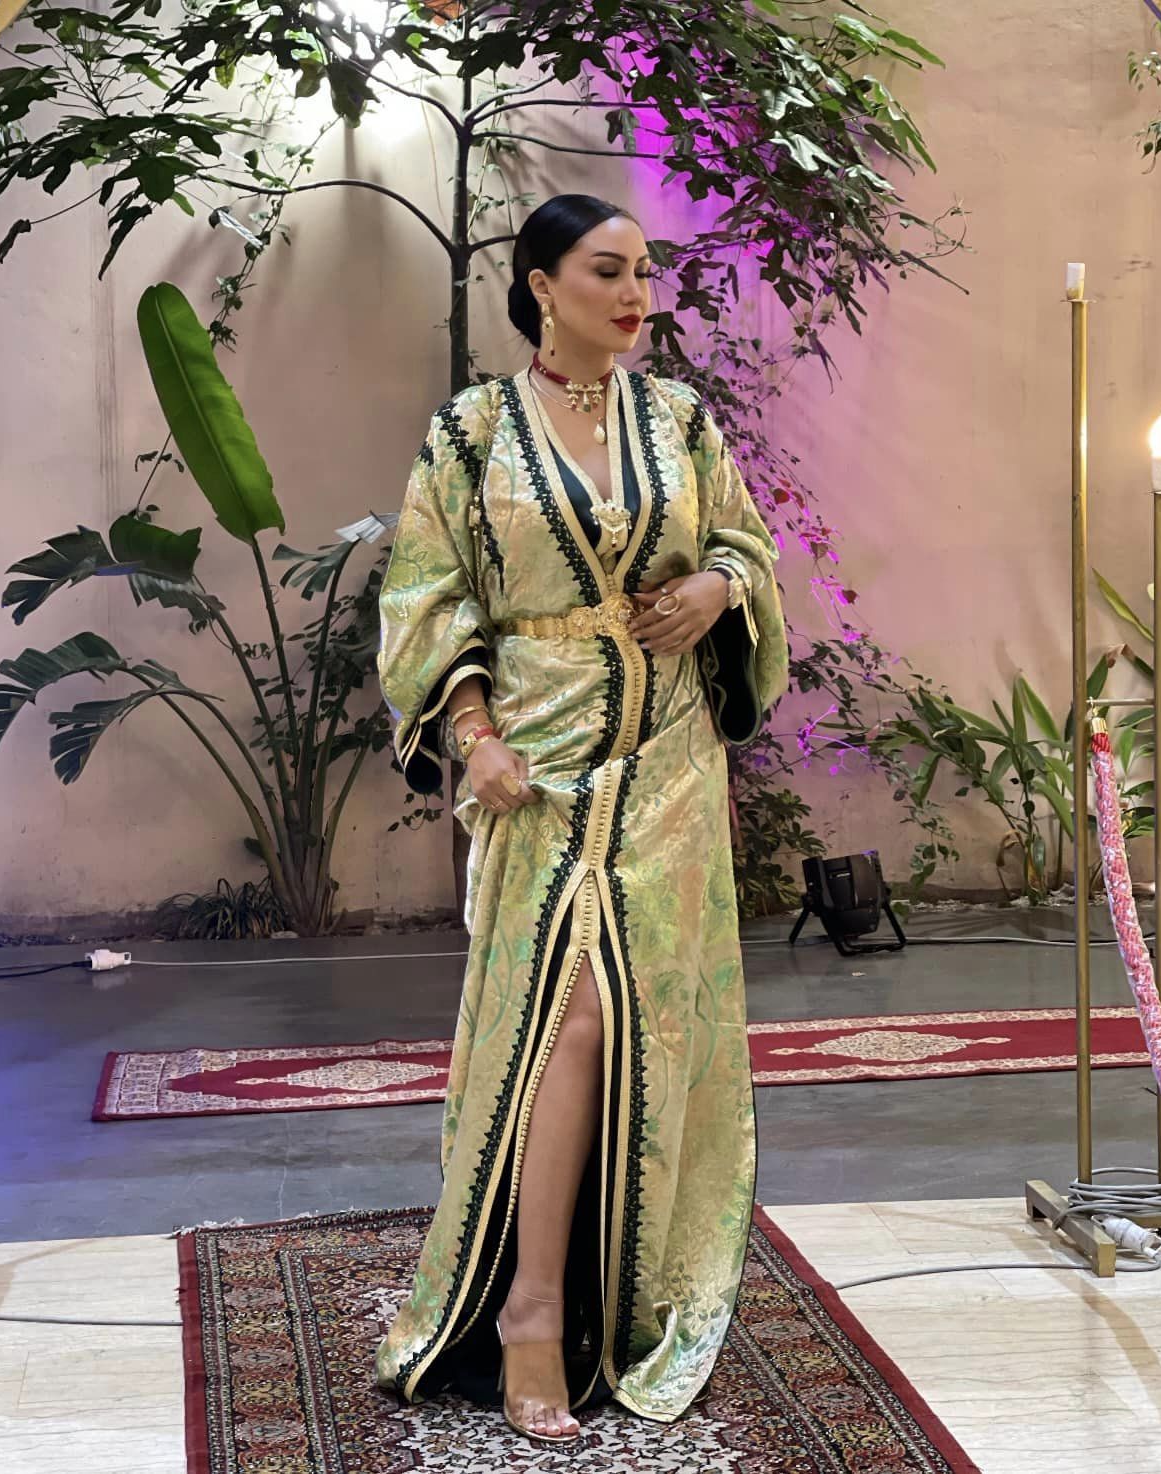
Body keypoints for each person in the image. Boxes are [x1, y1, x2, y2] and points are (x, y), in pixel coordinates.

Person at [374, 192, 790, 1444]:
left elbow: (748, 547)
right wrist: (475, 737)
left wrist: (717, 585)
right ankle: (527, 1312)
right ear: (541, 285)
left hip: (669, 760)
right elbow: (427, 597)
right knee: (560, 1015)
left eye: (644, 272)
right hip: (538, 764)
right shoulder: (468, 433)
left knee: (635, 1018)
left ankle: (603, 1296)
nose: (634, 294)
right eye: (606, 271)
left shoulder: (680, 420)